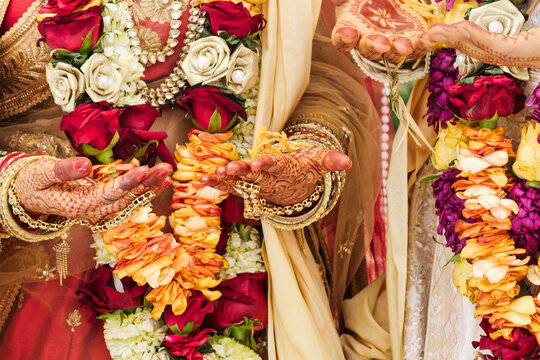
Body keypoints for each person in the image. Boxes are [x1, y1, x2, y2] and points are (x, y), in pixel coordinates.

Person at [0, 0, 383, 359]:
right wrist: (15, 186)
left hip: (238, 273)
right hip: (58, 278)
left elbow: (321, 80)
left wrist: (303, 158)